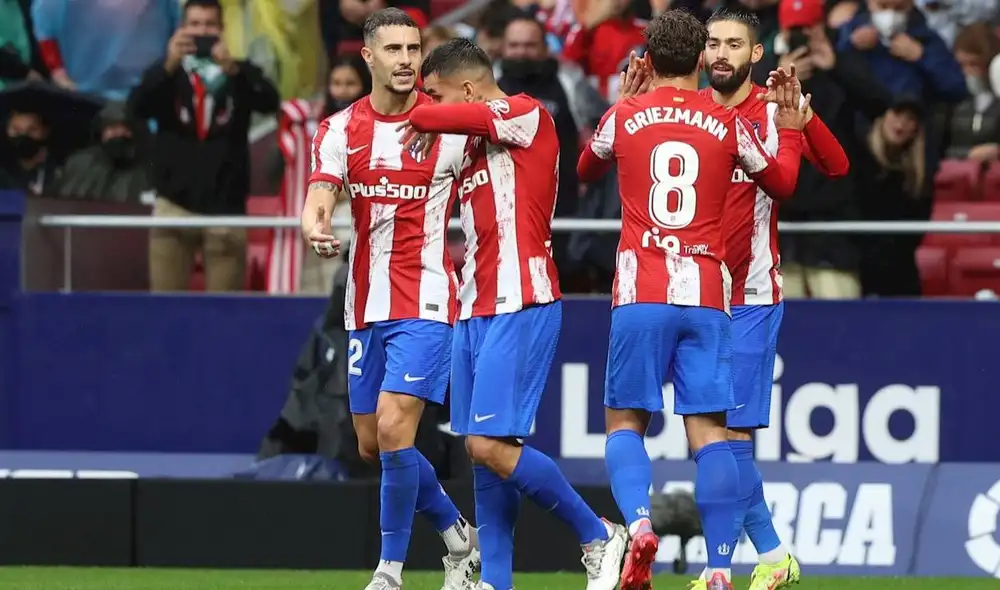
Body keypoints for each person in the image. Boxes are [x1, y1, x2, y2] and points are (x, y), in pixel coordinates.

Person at [576, 10, 810, 590]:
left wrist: (625, 100)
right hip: (709, 295)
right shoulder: (727, 120)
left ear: (648, 61)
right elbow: (781, 184)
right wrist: (793, 128)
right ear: (702, 59)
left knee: (624, 423)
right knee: (711, 437)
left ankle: (637, 525)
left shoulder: (625, 114)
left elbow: (585, 168)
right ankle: (719, 566)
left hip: (640, 292)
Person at [399, 38, 629, 590]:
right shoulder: (471, 147)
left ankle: (598, 534)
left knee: (488, 446)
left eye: (437, 93)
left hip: (519, 301)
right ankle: (496, 584)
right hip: (473, 308)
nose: (430, 106)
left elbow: (434, 116)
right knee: (486, 458)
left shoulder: (526, 114)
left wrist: (419, 108)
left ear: (469, 90)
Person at [300, 9, 479, 590]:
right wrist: (316, 225)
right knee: (373, 443)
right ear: (368, 57)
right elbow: (321, 196)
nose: (406, 59)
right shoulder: (339, 129)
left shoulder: (451, 127)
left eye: (414, 48)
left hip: (427, 299)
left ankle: (389, 570)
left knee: (397, 430)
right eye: (394, 49)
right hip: (364, 303)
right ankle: (458, 536)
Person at [696, 8, 850, 590]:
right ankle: (774, 553)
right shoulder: (693, 113)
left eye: (734, 44)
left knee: (730, 436)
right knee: (711, 437)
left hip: (753, 295)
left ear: (755, 54)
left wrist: (802, 119)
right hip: (697, 297)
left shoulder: (772, 111)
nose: (721, 54)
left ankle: (731, 566)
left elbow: (837, 167)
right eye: (713, 43)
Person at [128, 0, 280, 292]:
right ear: (181, 29)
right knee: (164, 305)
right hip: (173, 204)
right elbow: (136, 108)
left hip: (226, 207)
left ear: (222, 30)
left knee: (226, 312)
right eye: (194, 25)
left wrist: (233, 69)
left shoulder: (239, 73)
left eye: (209, 25)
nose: (202, 31)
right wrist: (168, 65)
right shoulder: (167, 75)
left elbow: (269, 101)